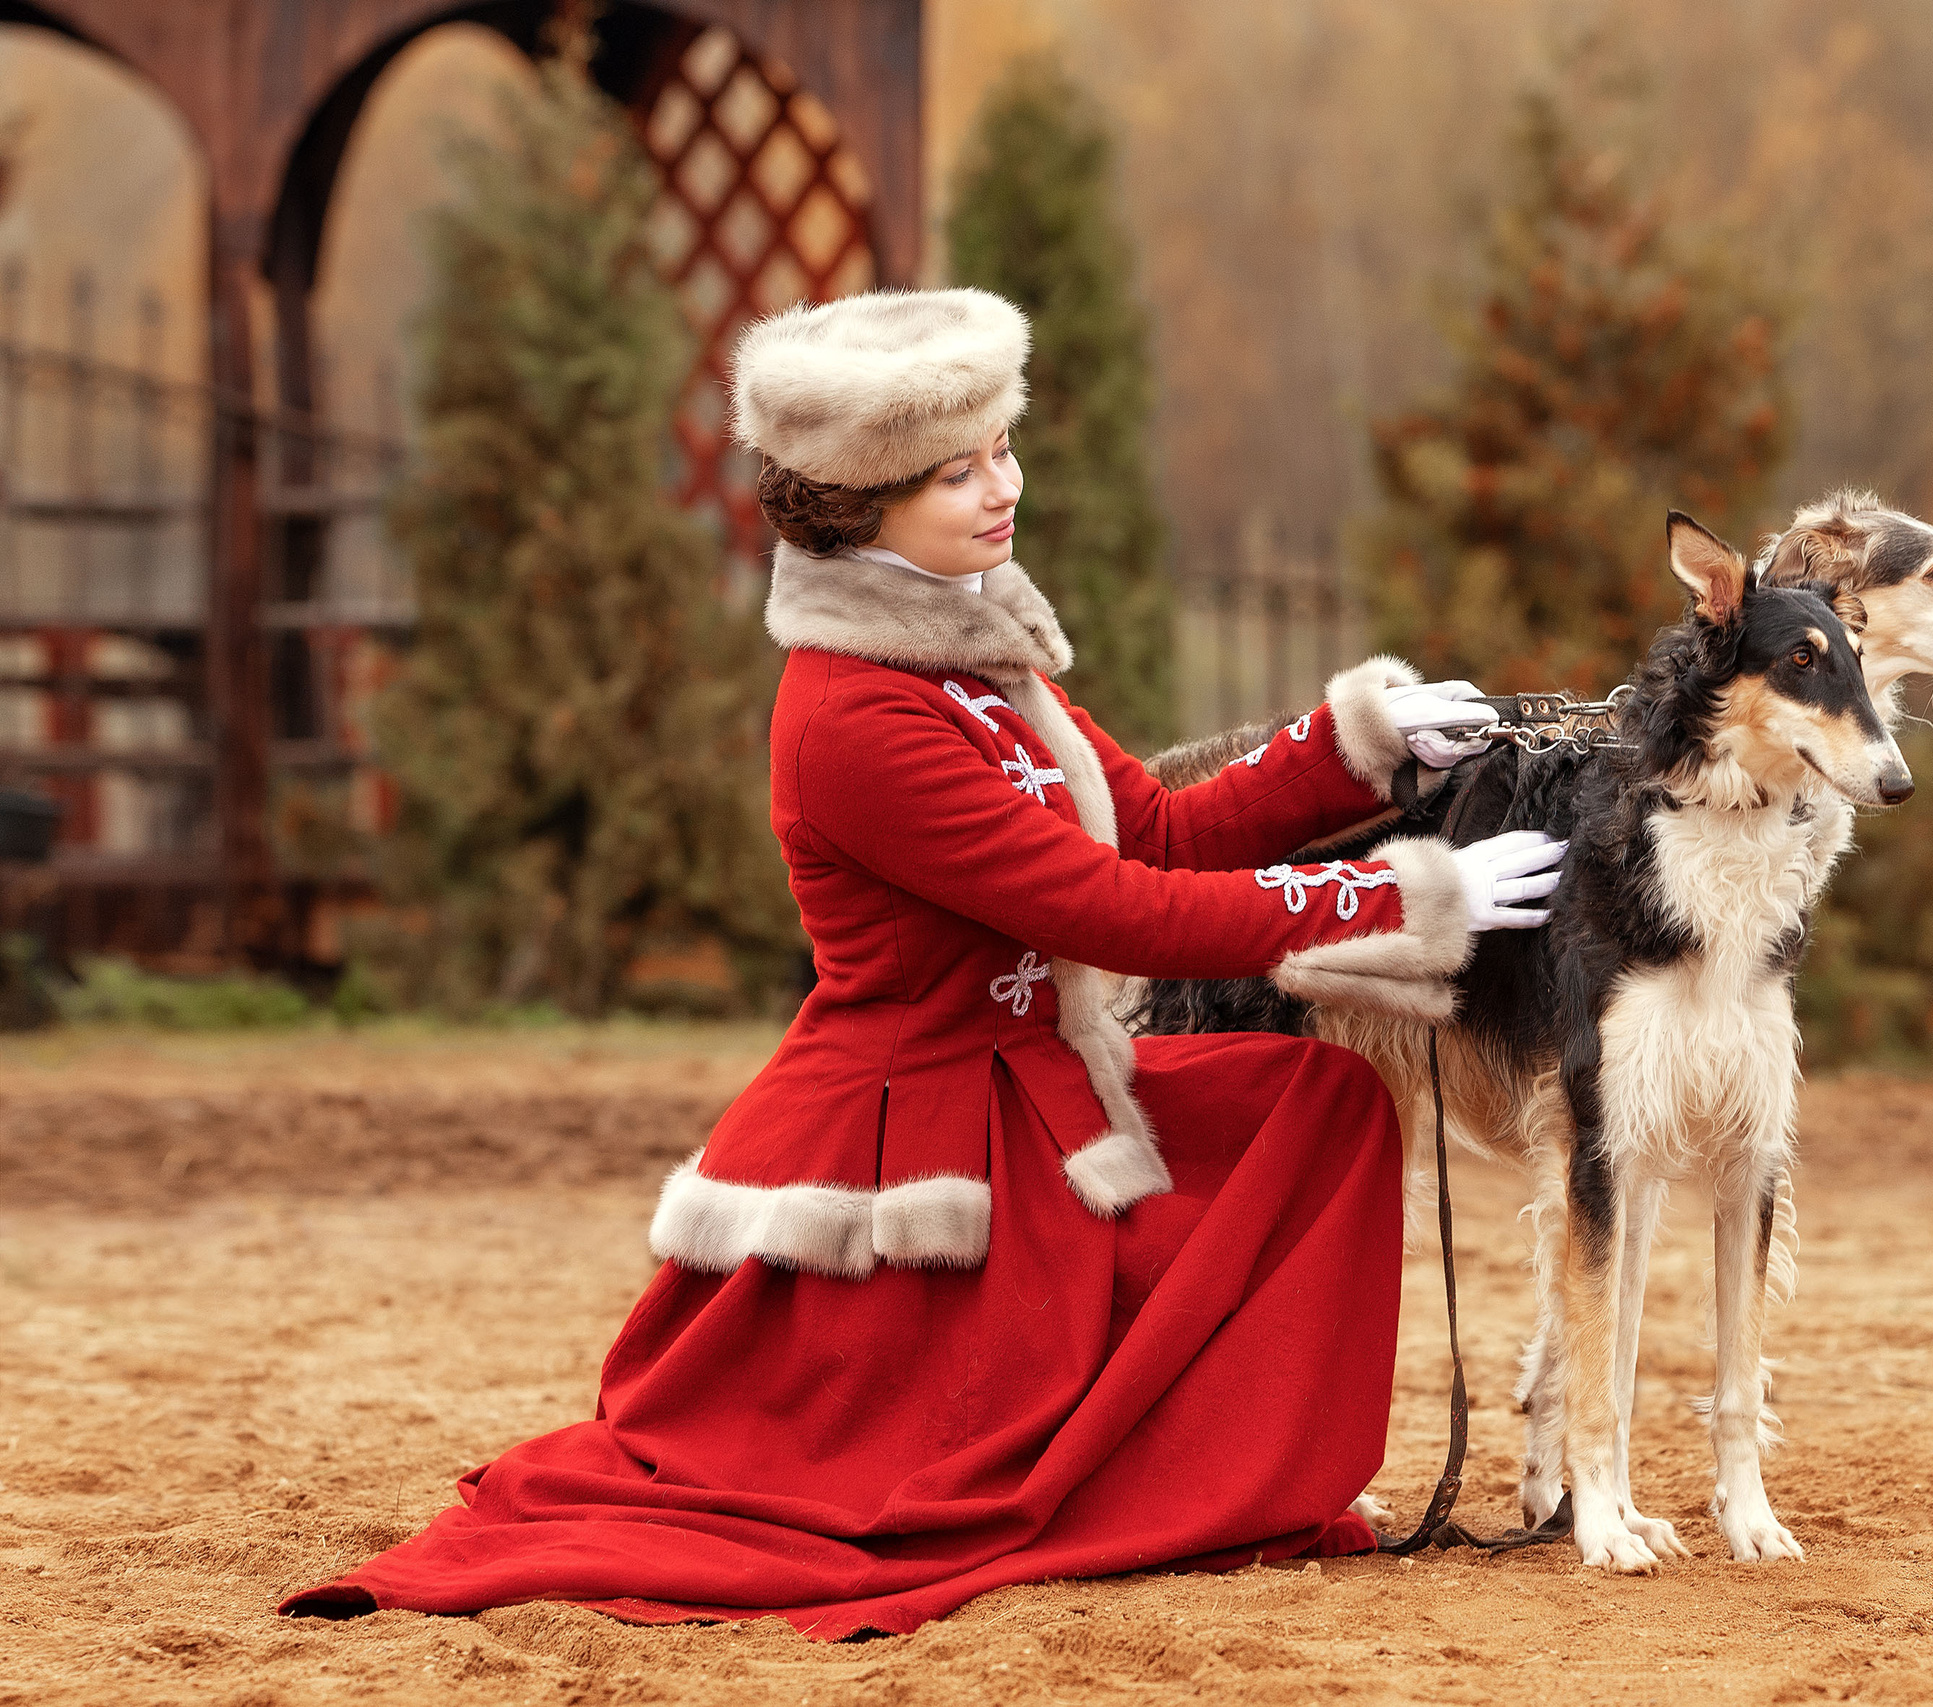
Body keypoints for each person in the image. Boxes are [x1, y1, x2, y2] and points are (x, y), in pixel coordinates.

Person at [281, 288, 1566, 1640]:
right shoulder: (853, 713)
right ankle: (1147, 1484)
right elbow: (1111, 910)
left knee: (1315, 1106)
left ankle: (1218, 1475)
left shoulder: (966, 648)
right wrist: (1405, 891)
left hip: (1040, 1090)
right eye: (959, 471)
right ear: (860, 502)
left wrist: (1350, 750)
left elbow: (1158, 828)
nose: (1003, 487)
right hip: (914, 1138)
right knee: (926, 1483)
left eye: (1003, 449)